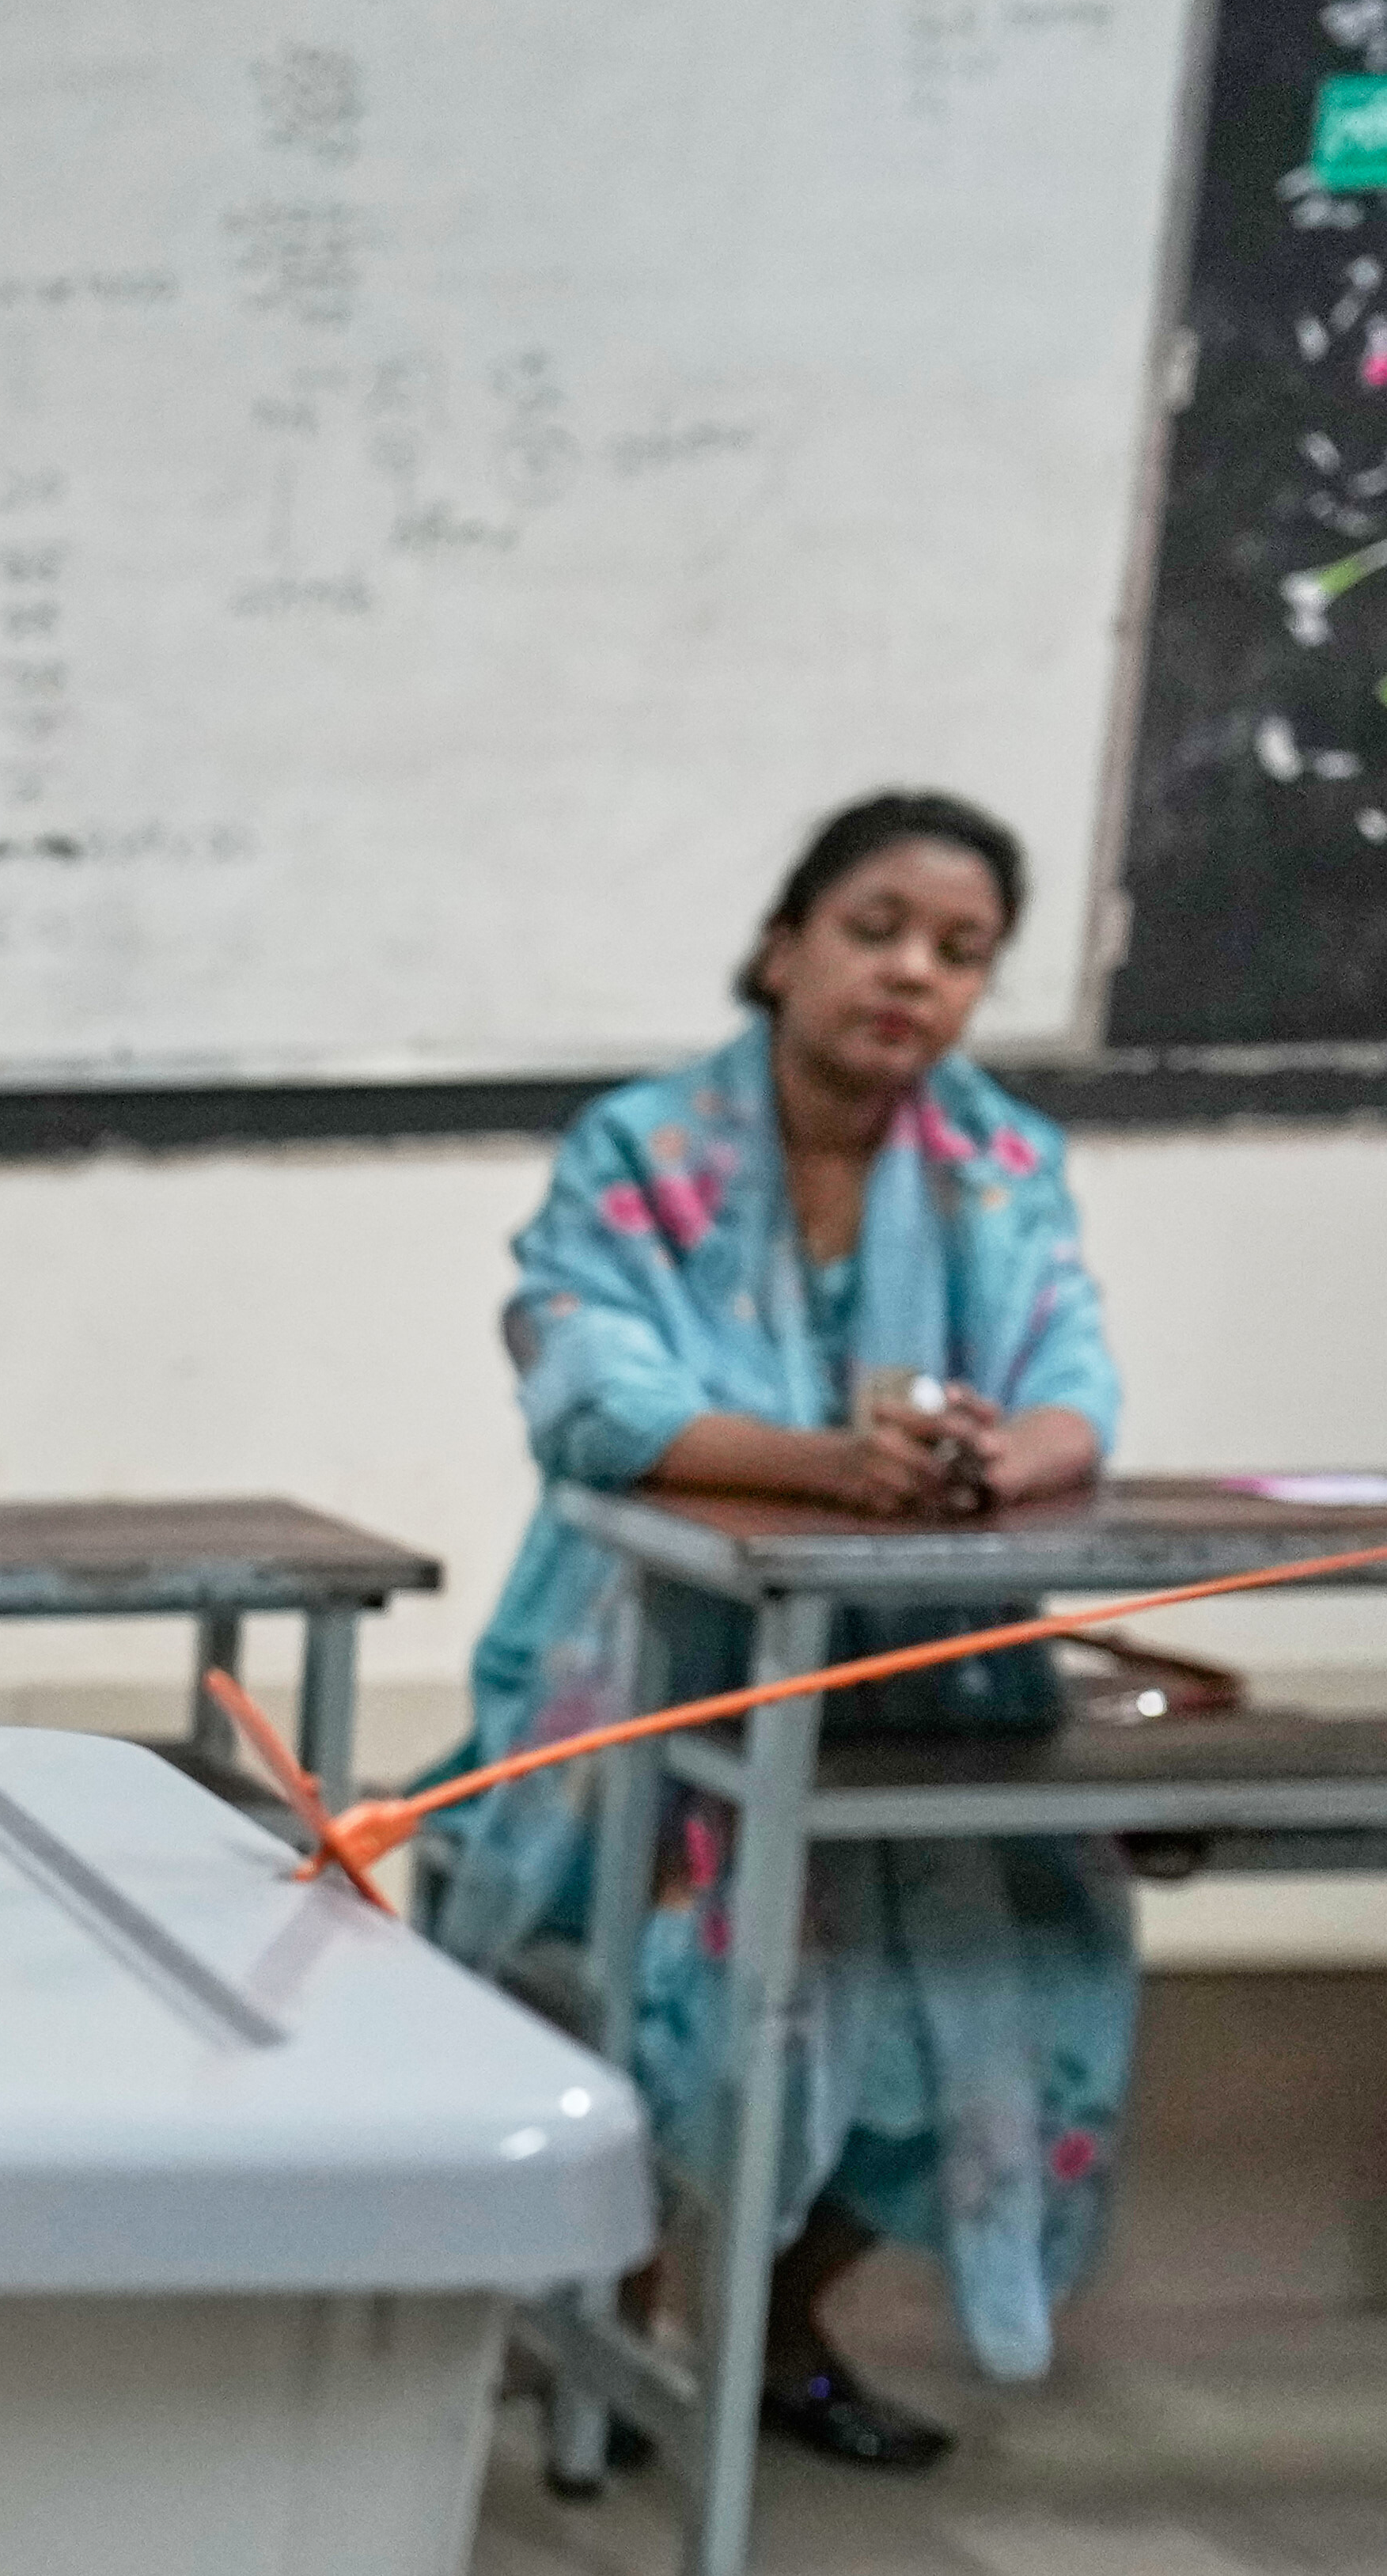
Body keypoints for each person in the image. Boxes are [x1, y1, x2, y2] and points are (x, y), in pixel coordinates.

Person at [425, 791, 1128, 2467]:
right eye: (874, 927)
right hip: (650, 1655)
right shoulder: (640, 1149)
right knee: (676, 1958)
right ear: (780, 945)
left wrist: (989, 1454)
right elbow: (592, 1397)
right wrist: (828, 1465)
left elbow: (1071, 1390)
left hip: (918, 1663)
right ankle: (624, 2333)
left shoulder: (1002, 1161)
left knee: (1048, 1959)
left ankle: (773, 2328)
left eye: (959, 955)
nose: (912, 976)